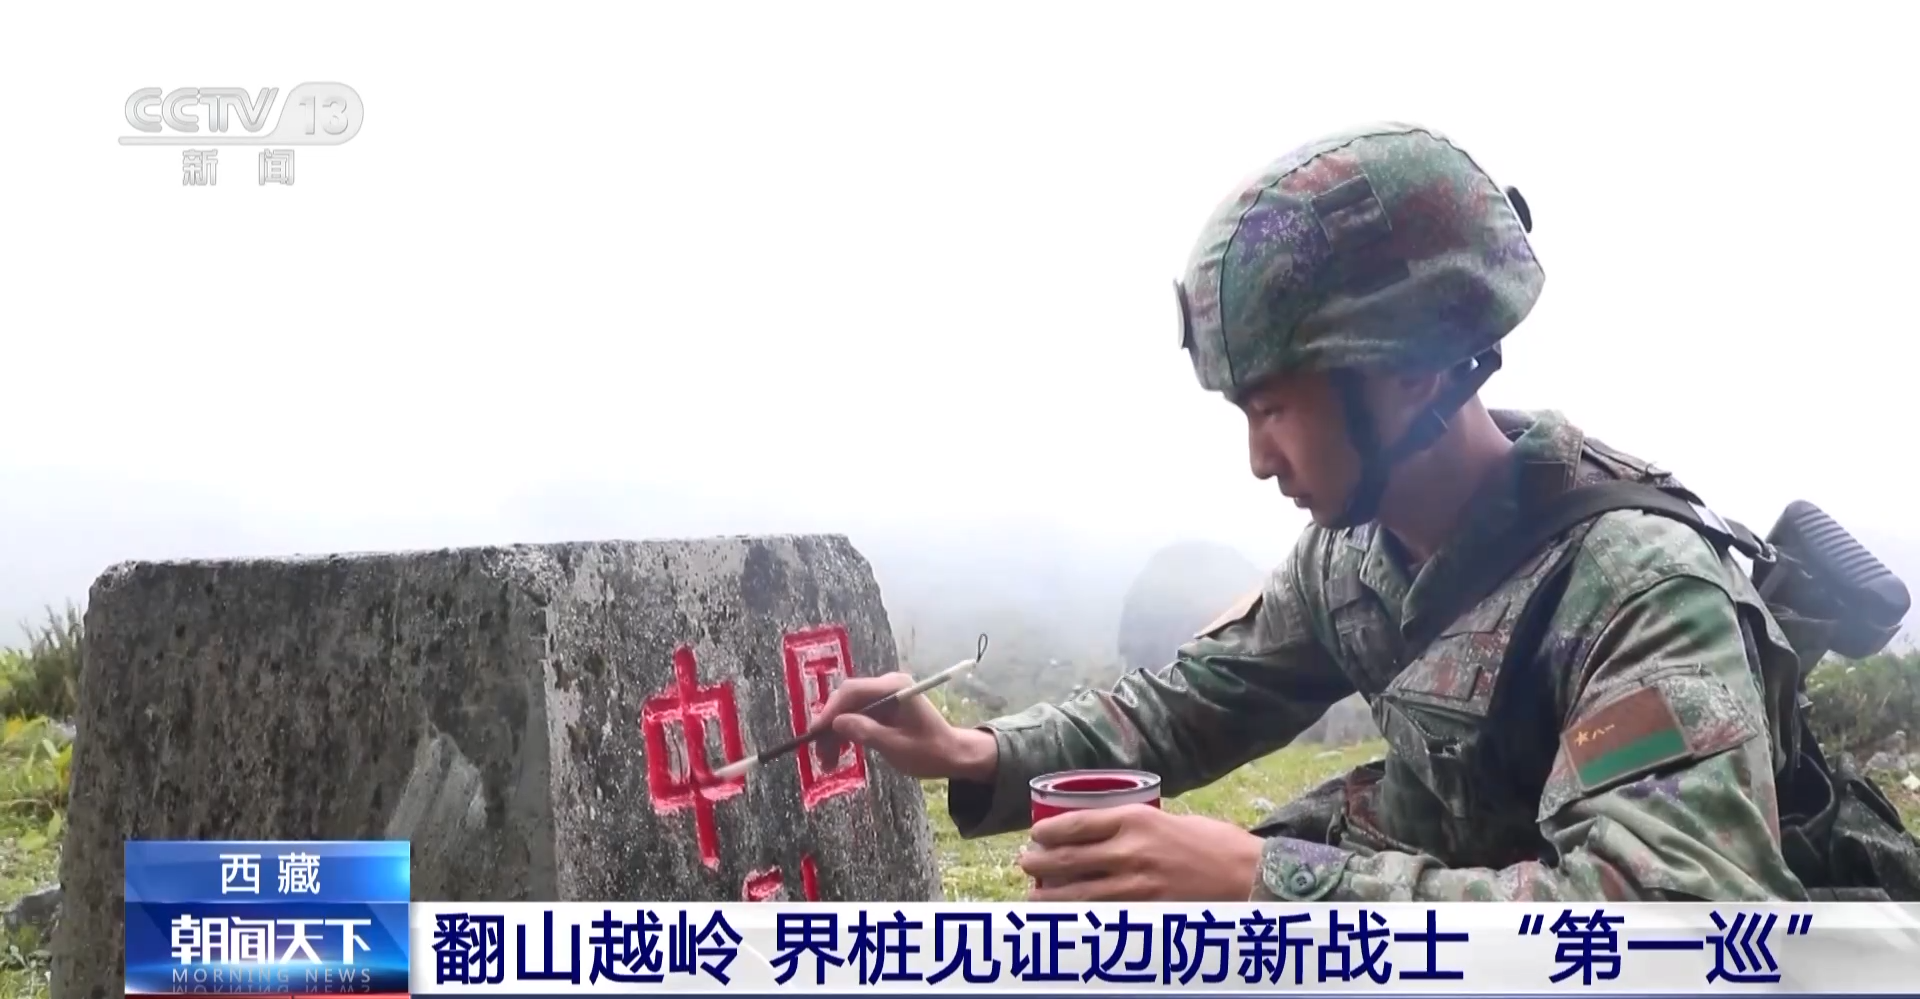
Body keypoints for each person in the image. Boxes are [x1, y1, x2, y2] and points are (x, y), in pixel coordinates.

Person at [814, 122, 1812, 902]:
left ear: (1410, 372)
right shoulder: (1352, 558)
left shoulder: (1637, 590)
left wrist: (1261, 879)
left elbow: (1672, 925)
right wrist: (975, 750)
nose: (1259, 461)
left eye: (1276, 410)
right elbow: (1190, 705)